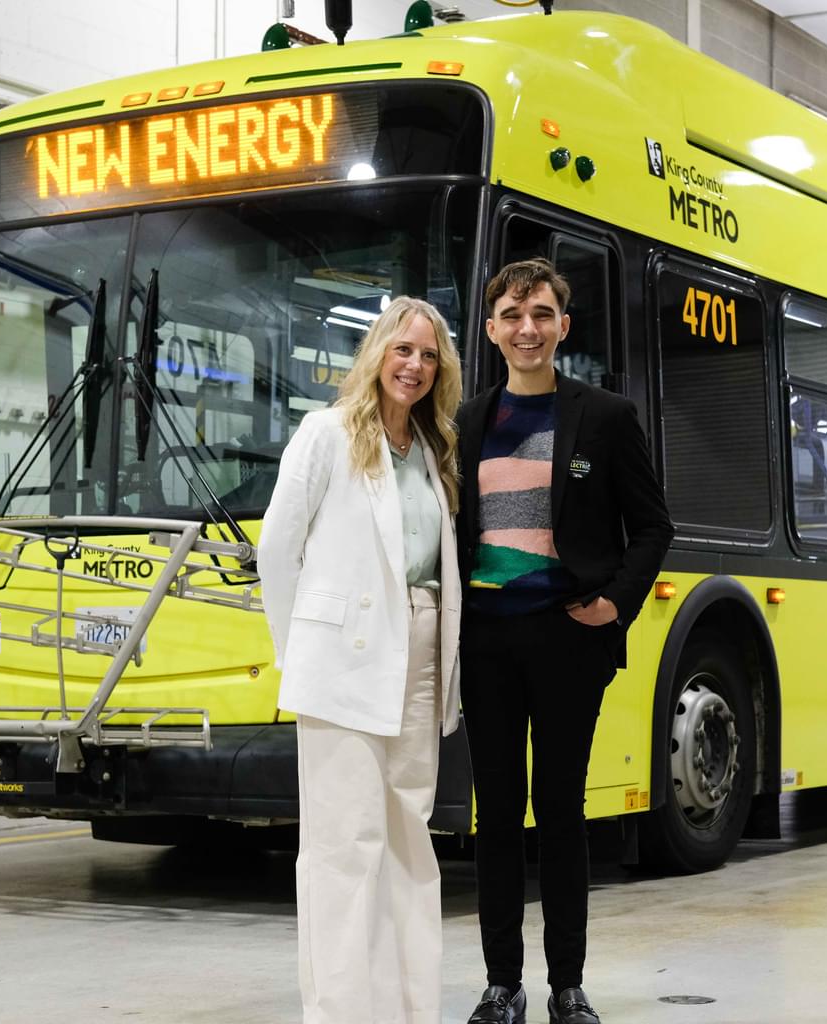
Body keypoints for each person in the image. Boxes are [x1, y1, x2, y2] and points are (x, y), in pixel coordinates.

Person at [457, 259, 673, 1024]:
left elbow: (652, 527)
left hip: (567, 640)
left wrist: (614, 605)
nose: (528, 328)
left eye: (542, 314)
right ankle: (501, 984)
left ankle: (567, 986)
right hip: (485, 641)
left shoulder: (605, 417)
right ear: (492, 330)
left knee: (560, 810)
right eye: (514, 316)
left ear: (563, 327)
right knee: (496, 813)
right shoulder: (465, 422)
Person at [259, 296, 464, 1024]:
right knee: (344, 847)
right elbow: (276, 550)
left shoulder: (436, 450)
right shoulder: (327, 433)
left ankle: (410, 1011)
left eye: (429, 355)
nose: (414, 365)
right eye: (403, 349)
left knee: (410, 843)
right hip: (342, 663)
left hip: (421, 654)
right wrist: (302, 657)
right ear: (377, 352)